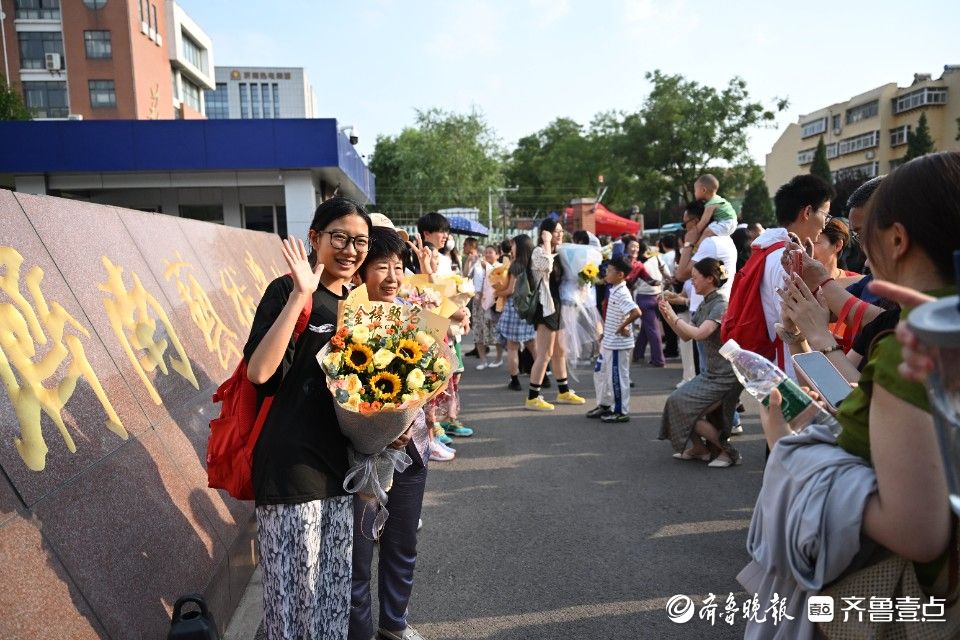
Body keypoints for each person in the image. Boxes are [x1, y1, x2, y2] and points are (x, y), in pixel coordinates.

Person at [739, 152, 960, 638]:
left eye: (862, 235)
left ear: (897, 239)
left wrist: (789, 448)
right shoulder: (914, 317)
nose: (858, 250)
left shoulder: (918, 339)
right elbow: (862, 400)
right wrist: (807, 340)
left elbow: (857, 401)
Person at [245, 196, 371, 640]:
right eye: (340, 237)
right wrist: (301, 293)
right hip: (291, 471)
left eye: (360, 241)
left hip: (340, 471)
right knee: (293, 611)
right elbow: (260, 373)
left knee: (331, 604)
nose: (350, 249)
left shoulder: (361, 304)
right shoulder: (286, 290)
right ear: (315, 238)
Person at [350, 226, 430, 640]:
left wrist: (412, 418)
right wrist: (380, 429)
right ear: (362, 271)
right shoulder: (349, 318)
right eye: (382, 267)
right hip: (365, 459)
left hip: (414, 449)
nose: (393, 276)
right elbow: (344, 389)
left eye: (398, 267)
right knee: (359, 558)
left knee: (402, 545)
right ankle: (361, 632)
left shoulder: (410, 314)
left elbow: (426, 372)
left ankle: (394, 625)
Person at [725, 174, 833, 378]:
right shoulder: (786, 258)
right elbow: (798, 322)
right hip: (791, 368)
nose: (826, 224)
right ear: (807, 212)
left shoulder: (766, 251)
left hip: (771, 362)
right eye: (825, 215)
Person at [658, 258, 742, 467]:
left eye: (695, 278)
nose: (692, 282)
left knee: (683, 404)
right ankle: (700, 449)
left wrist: (671, 315)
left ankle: (728, 452)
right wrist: (667, 315)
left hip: (725, 375)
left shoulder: (721, 303)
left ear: (710, 279)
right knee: (676, 402)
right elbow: (686, 336)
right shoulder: (707, 302)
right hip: (713, 372)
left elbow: (700, 334)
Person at [526, 218, 586, 410]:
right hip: (545, 306)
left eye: (561, 231)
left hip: (557, 304)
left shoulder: (559, 252)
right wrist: (545, 242)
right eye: (556, 231)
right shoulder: (538, 251)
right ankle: (532, 397)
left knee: (560, 351)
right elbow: (545, 268)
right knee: (545, 353)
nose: (560, 234)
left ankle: (564, 391)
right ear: (546, 232)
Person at [585, 256, 641, 423]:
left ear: (620, 275)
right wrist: (607, 331)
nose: (606, 273)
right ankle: (604, 404)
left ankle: (621, 411)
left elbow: (636, 312)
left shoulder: (622, 292)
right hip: (609, 341)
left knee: (617, 377)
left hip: (617, 344)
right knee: (601, 373)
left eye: (609, 271)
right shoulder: (614, 289)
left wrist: (622, 327)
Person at [497, 235, 537, 391]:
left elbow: (511, 290)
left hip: (515, 308)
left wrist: (498, 292)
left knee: (512, 346)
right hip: (529, 309)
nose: (511, 248)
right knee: (532, 345)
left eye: (513, 245)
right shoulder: (533, 263)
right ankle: (543, 376)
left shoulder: (516, 265)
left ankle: (515, 381)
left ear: (519, 247)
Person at [632, 241, 666, 367]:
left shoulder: (638, 265)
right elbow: (666, 274)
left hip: (644, 297)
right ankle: (638, 353)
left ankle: (659, 360)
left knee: (652, 329)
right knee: (648, 327)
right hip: (658, 295)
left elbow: (633, 283)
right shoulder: (657, 258)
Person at [471, 244, 504, 369]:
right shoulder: (478, 265)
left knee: (495, 332)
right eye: (486, 252)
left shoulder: (501, 267)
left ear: (497, 254)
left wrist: (488, 268)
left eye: (491, 252)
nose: (488, 254)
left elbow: (499, 283)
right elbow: (468, 276)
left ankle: (498, 358)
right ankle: (483, 360)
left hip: (493, 304)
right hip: (479, 303)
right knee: (478, 331)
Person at [813, 217, 861, 287]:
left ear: (837, 245)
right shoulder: (796, 280)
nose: (806, 248)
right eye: (804, 242)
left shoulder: (858, 282)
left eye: (814, 242)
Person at [692, 174, 738, 241]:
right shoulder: (718, 199)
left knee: (707, 232)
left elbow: (704, 221)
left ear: (703, 190)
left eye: (695, 190)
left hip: (726, 223)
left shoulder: (711, 204)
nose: (694, 193)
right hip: (732, 223)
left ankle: (697, 249)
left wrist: (694, 232)